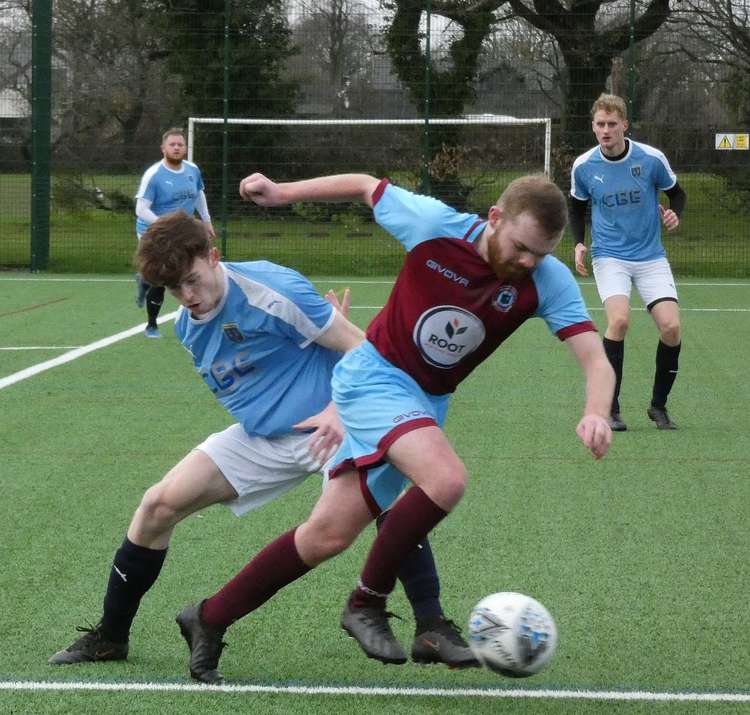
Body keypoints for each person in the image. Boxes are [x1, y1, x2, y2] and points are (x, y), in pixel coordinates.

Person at [170, 172, 614, 684]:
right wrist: (283, 193)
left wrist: (596, 410)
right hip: (372, 377)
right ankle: (367, 603)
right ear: (494, 218)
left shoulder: (546, 279)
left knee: (326, 536)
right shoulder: (434, 226)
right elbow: (365, 185)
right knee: (445, 479)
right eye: (520, 247)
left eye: (541, 252)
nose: (528, 262)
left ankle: (208, 617)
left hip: (425, 401)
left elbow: (594, 359)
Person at [48, 210, 477, 675]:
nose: (187, 297)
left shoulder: (271, 290)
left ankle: (431, 625)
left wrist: (337, 405)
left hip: (337, 422)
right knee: (156, 506)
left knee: (386, 501)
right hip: (267, 436)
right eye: (174, 290)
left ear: (214, 256)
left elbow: (365, 350)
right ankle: (110, 636)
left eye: (192, 281)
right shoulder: (189, 326)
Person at [569, 93, 687, 431]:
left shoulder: (650, 159)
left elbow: (677, 193)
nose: (605, 130)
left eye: (611, 124)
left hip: (650, 257)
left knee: (671, 328)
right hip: (610, 256)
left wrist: (674, 215)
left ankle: (658, 407)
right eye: (600, 124)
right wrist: (579, 243)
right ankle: (610, 407)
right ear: (593, 127)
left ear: (624, 125)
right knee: (618, 321)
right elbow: (576, 206)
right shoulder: (584, 165)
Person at [134, 127, 215, 338]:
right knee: (162, 277)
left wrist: (206, 221)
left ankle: (203, 316)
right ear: (163, 148)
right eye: (172, 144)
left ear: (185, 149)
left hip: (182, 231)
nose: (177, 148)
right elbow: (141, 210)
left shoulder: (192, 170)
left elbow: (199, 194)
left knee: (193, 269)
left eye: (180, 144)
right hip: (154, 232)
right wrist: (165, 224)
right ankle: (152, 325)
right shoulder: (154, 175)